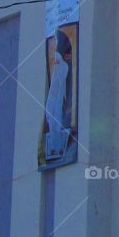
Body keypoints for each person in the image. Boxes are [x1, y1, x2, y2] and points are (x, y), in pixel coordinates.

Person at [44, 28, 73, 162]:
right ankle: (56, 146)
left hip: (57, 98)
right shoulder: (59, 62)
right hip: (54, 97)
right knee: (52, 117)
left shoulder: (62, 64)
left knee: (55, 118)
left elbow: (61, 83)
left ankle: (58, 147)